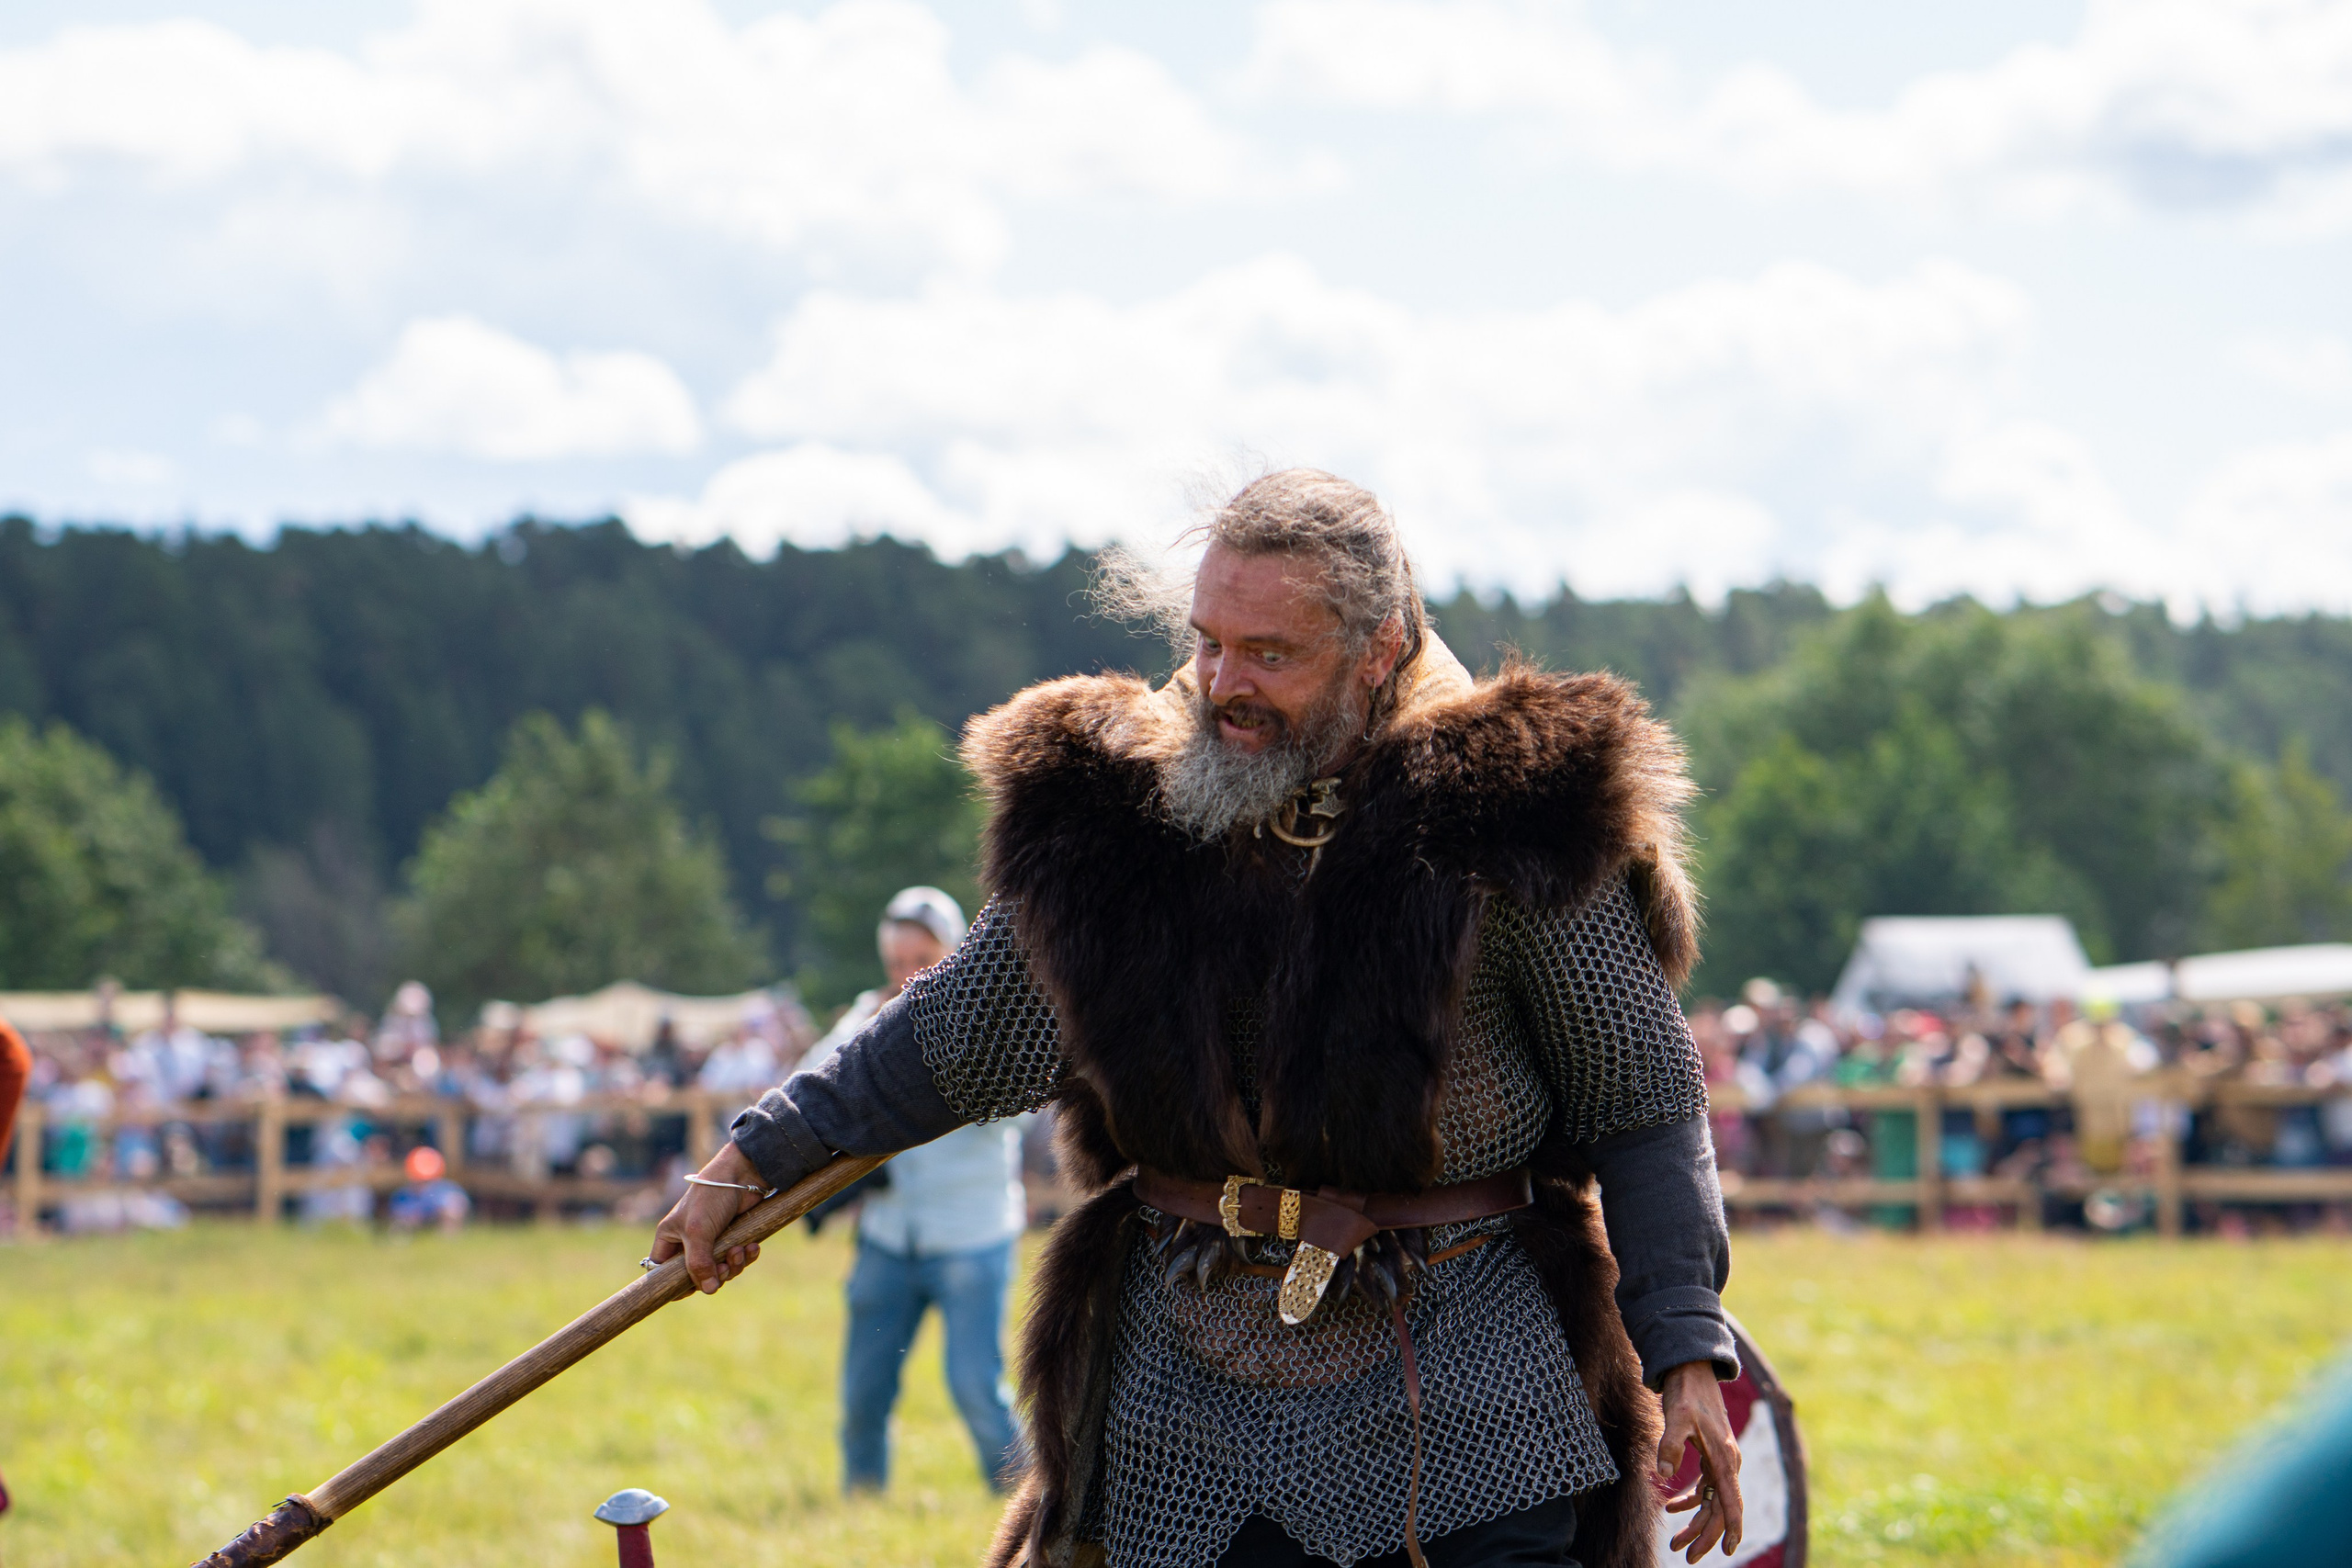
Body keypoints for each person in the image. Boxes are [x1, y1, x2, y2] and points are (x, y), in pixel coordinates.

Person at [653, 470, 1744, 1568]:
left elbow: (1640, 1098)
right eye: (1209, 642)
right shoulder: (1124, 827)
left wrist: (1684, 1349)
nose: (1224, 684)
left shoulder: (1506, 817)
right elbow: (952, 1038)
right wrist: (753, 1155)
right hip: (1185, 1392)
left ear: (1381, 649)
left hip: (1467, 1385)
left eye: (1271, 653)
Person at [800, 886, 1026, 1495]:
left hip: (970, 1235)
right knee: (863, 1390)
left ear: (954, 954)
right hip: (888, 1234)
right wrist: (876, 1036)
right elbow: (810, 1087)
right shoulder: (866, 1018)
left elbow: (1018, 1116)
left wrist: (928, 1066)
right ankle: (862, 1502)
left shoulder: (994, 1019)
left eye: (921, 959)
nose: (907, 975)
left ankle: (1028, 1515)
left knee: (976, 1388)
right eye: (897, 963)